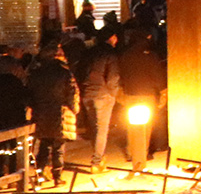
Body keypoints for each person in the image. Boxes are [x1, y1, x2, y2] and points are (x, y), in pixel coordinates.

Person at [27, 41, 79, 185]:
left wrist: (36, 107)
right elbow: (72, 93)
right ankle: (57, 176)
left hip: (42, 112)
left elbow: (29, 94)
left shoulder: (36, 74)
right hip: (60, 112)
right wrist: (74, 109)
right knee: (58, 146)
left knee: (44, 145)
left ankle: (39, 175)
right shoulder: (64, 72)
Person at [118, 33, 166, 168]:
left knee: (131, 125)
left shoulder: (125, 55)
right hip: (147, 95)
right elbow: (157, 75)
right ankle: (142, 153)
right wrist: (163, 91)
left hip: (130, 94)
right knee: (146, 125)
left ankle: (131, 151)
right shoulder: (150, 56)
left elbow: (120, 74)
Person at [80, 30, 122, 171]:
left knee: (94, 128)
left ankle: (98, 157)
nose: (116, 39)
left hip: (87, 93)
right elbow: (113, 77)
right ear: (111, 37)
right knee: (102, 129)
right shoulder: (110, 53)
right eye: (115, 36)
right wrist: (113, 93)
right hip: (102, 94)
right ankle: (97, 162)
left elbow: (80, 71)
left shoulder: (89, 52)